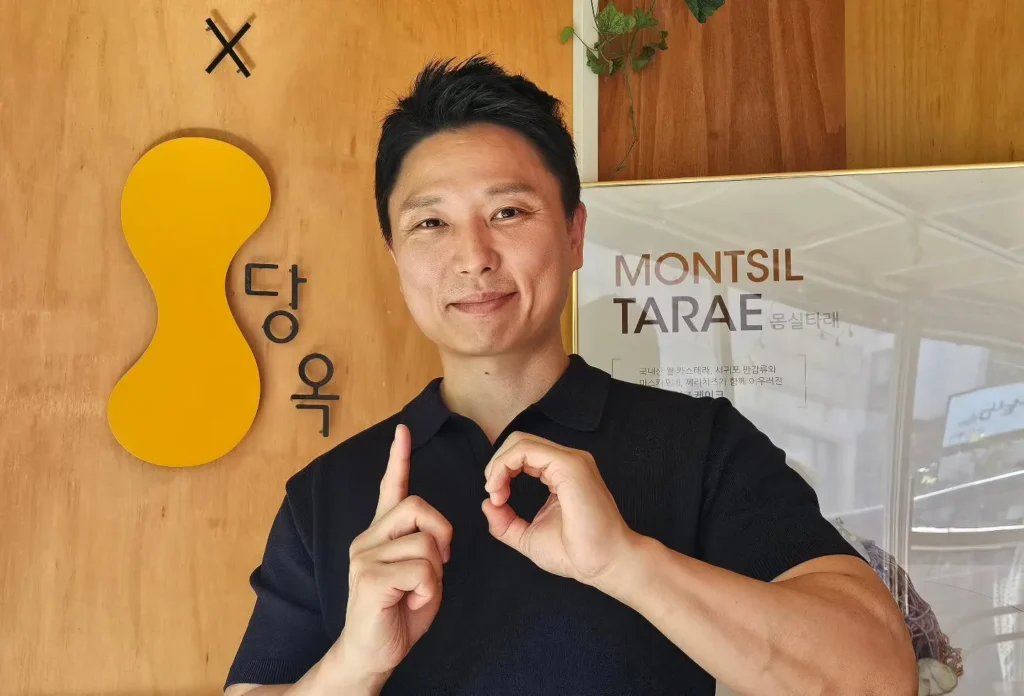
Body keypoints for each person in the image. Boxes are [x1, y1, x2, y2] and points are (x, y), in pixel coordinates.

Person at [224, 56, 918, 696]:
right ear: (395, 254)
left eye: (509, 212)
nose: (474, 256)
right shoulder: (327, 494)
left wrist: (626, 562)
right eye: (430, 223)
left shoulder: (700, 445)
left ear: (574, 233)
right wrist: (354, 663)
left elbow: (879, 678)